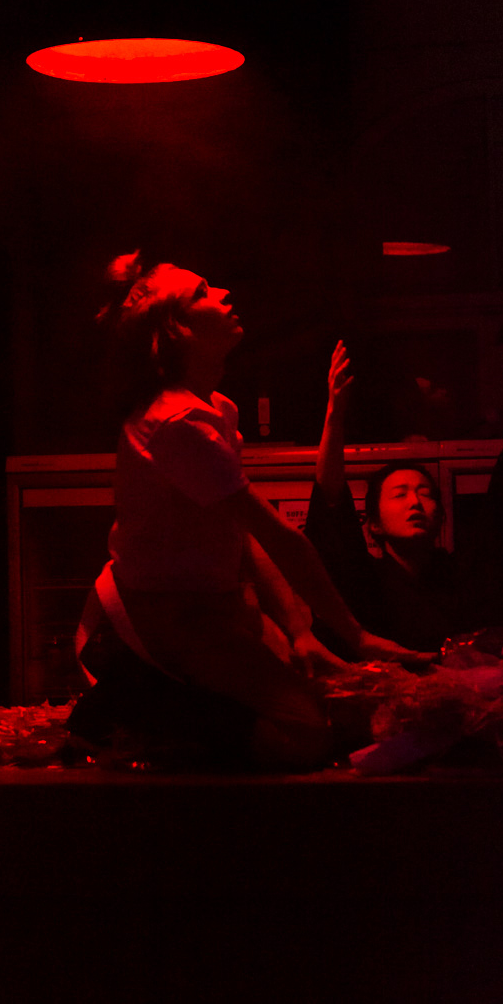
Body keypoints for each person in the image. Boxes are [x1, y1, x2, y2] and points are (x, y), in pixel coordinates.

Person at [71, 252, 419, 770]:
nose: (223, 293)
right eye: (201, 293)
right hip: (163, 613)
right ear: (178, 331)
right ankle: (129, 704)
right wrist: (355, 634)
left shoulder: (218, 408)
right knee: (305, 736)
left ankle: (182, 698)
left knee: (336, 711)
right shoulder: (176, 423)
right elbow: (279, 535)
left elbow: (241, 536)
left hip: (217, 604)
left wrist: (300, 632)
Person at [303, 335, 503, 654]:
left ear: (441, 517)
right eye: (399, 494)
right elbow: (331, 502)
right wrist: (335, 414)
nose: (414, 502)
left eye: (424, 493)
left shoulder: (464, 578)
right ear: (373, 523)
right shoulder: (363, 583)